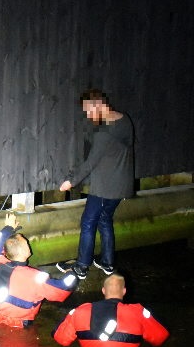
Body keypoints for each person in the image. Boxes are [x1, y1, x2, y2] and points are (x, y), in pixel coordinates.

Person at [56, 88, 135, 280]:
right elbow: (122, 148)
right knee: (105, 220)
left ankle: (82, 266)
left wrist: (70, 182)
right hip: (122, 186)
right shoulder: (125, 120)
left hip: (104, 189)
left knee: (88, 222)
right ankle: (107, 263)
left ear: (99, 105)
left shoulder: (103, 134)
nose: (88, 115)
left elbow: (89, 164)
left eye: (89, 110)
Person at [0, 212, 78, 328]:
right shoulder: (35, 277)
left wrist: (8, 228)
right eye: (27, 243)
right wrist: (71, 273)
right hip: (21, 325)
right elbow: (62, 290)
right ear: (26, 251)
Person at [51, 274, 169, 347]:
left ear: (103, 290)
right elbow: (161, 337)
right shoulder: (139, 312)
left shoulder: (79, 311)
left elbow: (61, 339)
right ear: (124, 291)